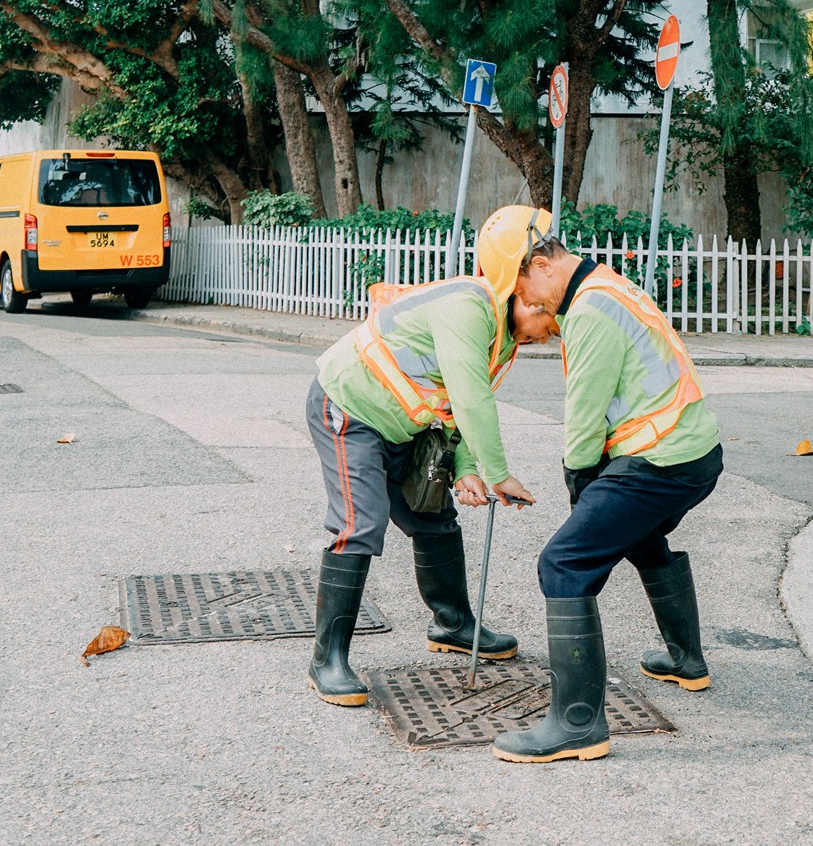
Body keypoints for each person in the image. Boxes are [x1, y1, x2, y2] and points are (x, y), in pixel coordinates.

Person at [472, 205, 723, 763]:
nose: (525, 302)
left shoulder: (589, 310)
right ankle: (687, 662)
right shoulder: (609, 283)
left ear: (539, 262)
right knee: (639, 536)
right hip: (692, 451)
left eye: (518, 285)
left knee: (563, 562)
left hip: (659, 457)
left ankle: (577, 723)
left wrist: (580, 484)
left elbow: (582, 419)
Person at [302, 219, 554, 707]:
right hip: (350, 407)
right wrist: (498, 473)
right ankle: (326, 660)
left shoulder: (503, 336)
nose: (547, 330)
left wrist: (464, 470)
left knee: (433, 515)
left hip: (403, 425)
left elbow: (456, 408)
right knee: (361, 522)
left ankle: (452, 624)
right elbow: (472, 397)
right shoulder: (469, 309)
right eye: (543, 314)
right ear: (517, 292)